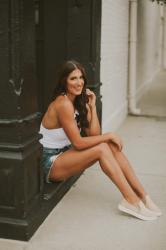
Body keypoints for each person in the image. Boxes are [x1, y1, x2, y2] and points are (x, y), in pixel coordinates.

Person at [39, 60, 162, 221]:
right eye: (73, 78)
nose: (79, 82)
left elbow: (94, 133)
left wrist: (92, 107)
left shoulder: (76, 100)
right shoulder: (63, 104)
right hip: (51, 162)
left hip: (66, 154)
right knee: (103, 147)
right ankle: (131, 200)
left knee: (108, 145)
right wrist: (109, 135)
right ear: (64, 81)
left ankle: (143, 196)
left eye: (81, 77)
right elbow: (79, 143)